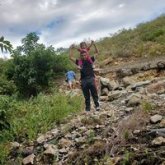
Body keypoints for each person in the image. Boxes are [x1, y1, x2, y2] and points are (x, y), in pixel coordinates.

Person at [69, 42, 100, 112]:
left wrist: (94, 44)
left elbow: (97, 53)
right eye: (82, 55)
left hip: (91, 79)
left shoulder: (90, 59)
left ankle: (97, 106)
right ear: (80, 56)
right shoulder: (79, 62)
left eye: (85, 55)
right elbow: (70, 57)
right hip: (83, 80)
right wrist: (71, 49)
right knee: (86, 96)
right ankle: (88, 109)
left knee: (94, 93)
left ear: (87, 55)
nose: (83, 56)